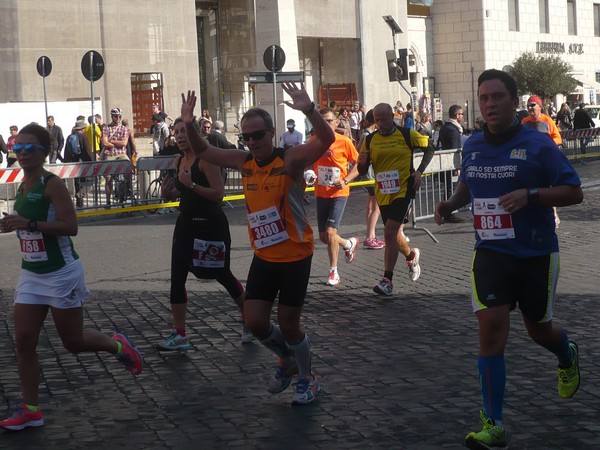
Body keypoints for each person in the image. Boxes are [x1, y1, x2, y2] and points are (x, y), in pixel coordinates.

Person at [434, 69, 583, 450]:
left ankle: (566, 353)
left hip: (535, 253)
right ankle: (493, 424)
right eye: (483, 98)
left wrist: (531, 195)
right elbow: (469, 183)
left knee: (539, 330)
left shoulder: (539, 144)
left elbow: (573, 192)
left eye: (497, 97)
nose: (490, 104)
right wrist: (451, 203)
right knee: (491, 333)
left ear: (514, 102)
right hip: (491, 253)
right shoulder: (472, 145)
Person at [180, 82, 335, 405]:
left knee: (289, 324)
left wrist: (309, 109)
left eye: (258, 136)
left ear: (271, 133)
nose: (252, 142)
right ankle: (288, 360)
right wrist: (190, 123)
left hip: (294, 254)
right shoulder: (243, 162)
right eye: (246, 137)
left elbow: (327, 139)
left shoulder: (290, 161)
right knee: (254, 321)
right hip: (264, 254)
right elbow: (205, 151)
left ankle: (308, 377)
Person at [0, 123, 143, 431]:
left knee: (73, 342)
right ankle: (30, 410)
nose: (22, 154)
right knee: (24, 340)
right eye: (19, 148)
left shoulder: (52, 184)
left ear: (44, 151)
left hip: (61, 273)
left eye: (30, 149)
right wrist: (14, 225)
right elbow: (27, 224)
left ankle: (117, 346)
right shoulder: (23, 183)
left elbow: (70, 226)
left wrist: (30, 223)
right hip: (31, 273)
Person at [155, 118, 251, 349]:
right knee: (177, 278)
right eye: (176, 132)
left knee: (222, 275)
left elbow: (218, 194)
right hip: (186, 226)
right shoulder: (179, 161)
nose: (178, 136)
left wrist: (192, 186)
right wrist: (169, 194)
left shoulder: (206, 160)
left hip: (210, 227)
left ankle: (250, 320)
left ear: (195, 135)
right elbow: (182, 191)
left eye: (184, 132)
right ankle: (180, 335)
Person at [357, 103, 434, 295]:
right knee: (394, 235)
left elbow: (430, 148)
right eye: (377, 120)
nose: (381, 123)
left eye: (385, 119)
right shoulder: (369, 140)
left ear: (393, 117)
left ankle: (387, 281)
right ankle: (411, 255)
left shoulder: (407, 134)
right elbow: (361, 171)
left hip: (404, 190)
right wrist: (362, 163)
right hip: (383, 193)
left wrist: (419, 172)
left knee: (389, 233)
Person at [309, 107, 359, 286]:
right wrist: (309, 174)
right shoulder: (313, 140)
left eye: (329, 121)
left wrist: (345, 180)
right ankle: (348, 244)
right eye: (322, 121)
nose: (325, 124)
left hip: (339, 193)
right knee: (324, 237)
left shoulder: (344, 141)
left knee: (330, 233)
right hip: (321, 192)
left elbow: (358, 164)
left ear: (336, 122)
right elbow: (308, 163)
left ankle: (333, 272)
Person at [357, 109, 385, 250]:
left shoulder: (365, 134)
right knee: (376, 208)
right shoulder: (368, 135)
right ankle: (370, 237)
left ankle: (370, 235)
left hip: (368, 174)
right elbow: (361, 153)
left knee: (371, 205)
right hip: (370, 175)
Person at [438, 104, 465, 223]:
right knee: (451, 189)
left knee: (449, 188)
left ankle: (447, 212)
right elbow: (454, 149)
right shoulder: (453, 130)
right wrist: (456, 166)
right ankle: (448, 214)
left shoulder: (446, 127)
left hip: (447, 162)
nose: (462, 116)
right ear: (456, 115)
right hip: (451, 163)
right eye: (461, 114)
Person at [101, 107, 130, 206]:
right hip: (110, 153)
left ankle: (126, 190)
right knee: (108, 178)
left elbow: (124, 143)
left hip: (121, 153)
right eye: (115, 116)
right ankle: (108, 201)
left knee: (128, 167)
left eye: (119, 116)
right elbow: (105, 143)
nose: (118, 118)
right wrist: (115, 144)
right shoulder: (106, 128)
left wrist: (112, 142)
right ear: (112, 116)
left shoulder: (124, 129)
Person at [64, 119, 93, 207]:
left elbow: (66, 151)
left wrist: (66, 162)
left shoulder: (69, 137)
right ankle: (81, 194)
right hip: (83, 163)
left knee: (77, 182)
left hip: (73, 163)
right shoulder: (83, 136)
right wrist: (92, 161)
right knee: (89, 181)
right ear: (83, 128)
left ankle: (79, 202)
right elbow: (88, 150)